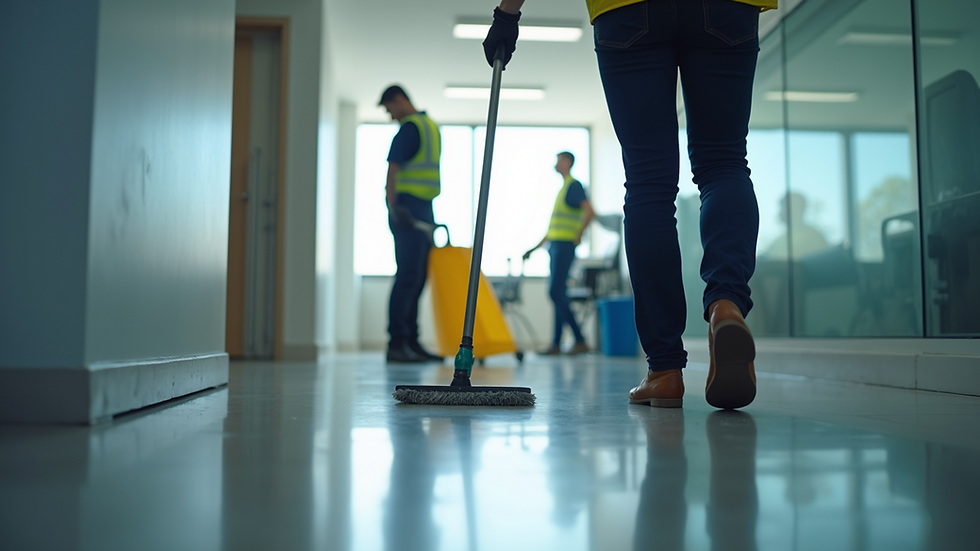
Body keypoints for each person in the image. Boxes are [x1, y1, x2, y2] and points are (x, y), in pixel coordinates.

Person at [485, 0, 776, 409]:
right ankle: (726, 303)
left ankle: (665, 370)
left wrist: (507, 13)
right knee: (724, 163)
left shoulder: (571, 187)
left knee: (649, 184)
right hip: (727, 9)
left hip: (628, 11)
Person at [378, 85, 442, 363]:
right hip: (409, 210)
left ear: (400, 100)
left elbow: (393, 170)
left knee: (417, 278)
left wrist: (394, 205)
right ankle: (398, 343)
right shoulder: (428, 126)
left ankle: (411, 342)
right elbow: (393, 171)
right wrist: (395, 209)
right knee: (408, 277)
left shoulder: (412, 128)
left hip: (413, 207)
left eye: (389, 109)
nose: (391, 116)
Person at [523, 152, 595, 355]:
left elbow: (590, 211)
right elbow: (552, 230)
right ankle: (556, 343)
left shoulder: (573, 186)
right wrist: (533, 249)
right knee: (558, 294)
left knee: (555, 292)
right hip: (556, 245)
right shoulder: (564, 188)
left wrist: (578, 235)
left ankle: (580, 339)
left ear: (568, 163)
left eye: (559, 160)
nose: (556, 164)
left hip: (564, 246)